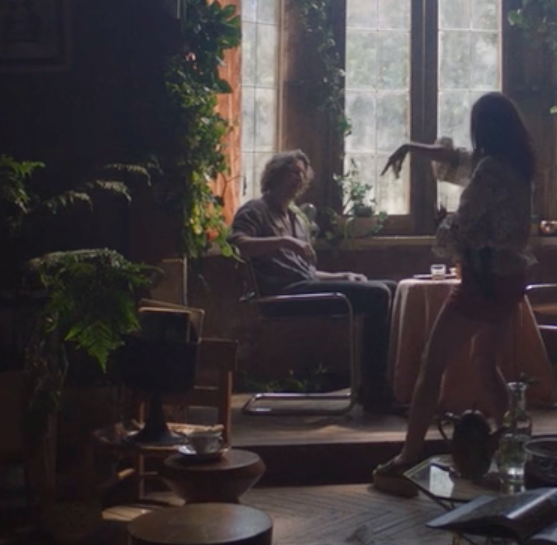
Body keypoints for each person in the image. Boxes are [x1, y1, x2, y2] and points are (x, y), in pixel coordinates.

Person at [370, 92, 537, 496]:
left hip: (483, 280)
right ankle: (516, 449)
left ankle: (407, 457)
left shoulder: (490, 170)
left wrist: (444, 227)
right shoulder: (517, 164)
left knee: (431, 366)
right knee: (484, 364)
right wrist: (412, 146)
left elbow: (464, 221)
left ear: (484, 129)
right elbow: (458, 159)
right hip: (509, 278)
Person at [228, 150, 399, 412]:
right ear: (275, 174)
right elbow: (237, 243)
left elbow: (307, 272)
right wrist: (284, 241)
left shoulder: (295, 217)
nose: (298, 178)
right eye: (292, 172)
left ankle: (385, 380)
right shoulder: (256, 209)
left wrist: (342, 276)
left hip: (304, 287)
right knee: (377, 294)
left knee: (393, 288)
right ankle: (373, 386)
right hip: (281, 296)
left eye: (301, 174)